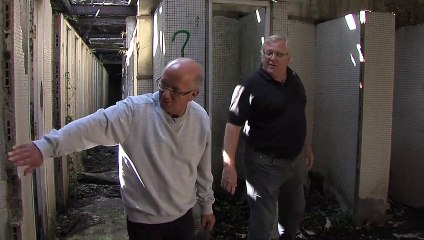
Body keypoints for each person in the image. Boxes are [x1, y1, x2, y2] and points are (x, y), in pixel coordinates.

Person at [8, 58, 215, 240]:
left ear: (192, 95)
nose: (165, 95)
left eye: (175, 91)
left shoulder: (200, 119)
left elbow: (202, 168)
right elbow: (92, 126)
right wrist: (45, 147)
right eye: (163, 85)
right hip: (144, 222)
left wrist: (206, 206)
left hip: (183, 217)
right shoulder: (134, 112)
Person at [220, 35, 314, 240]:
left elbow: (298, 114)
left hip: (294, 161)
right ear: (262, 55)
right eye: (268, 53)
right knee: (263, 224)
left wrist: (306, 146)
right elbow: (233, 126)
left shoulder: (294, 79)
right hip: (264, 164)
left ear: (289, 58)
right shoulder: (249, 86)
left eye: (278, 54)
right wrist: (229, 166)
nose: (272, 58)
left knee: (295, 211)